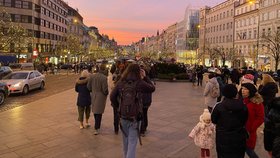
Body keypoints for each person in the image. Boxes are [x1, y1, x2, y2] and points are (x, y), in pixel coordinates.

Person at [110, 64, 155, 158]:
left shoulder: (121, 82)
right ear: (138, 72)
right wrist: (145, 77)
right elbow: (152, 88)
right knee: (132, 142)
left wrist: (118, 106)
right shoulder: (139, 82)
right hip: (135, 117)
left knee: (125, 141)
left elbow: (112, 96)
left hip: (123, 116)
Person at [211, 84, 248, 158]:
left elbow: (214, 120)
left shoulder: (219, 106)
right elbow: (244, 120)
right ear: (235, 93)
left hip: (223, 137)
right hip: (239, 136)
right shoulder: (243, 106)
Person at [241, 83, 265, 158]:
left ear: (250, 91)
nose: (243, 91)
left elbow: (260, 117)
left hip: (249, 131)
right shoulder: (243, 100)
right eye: (242, 88)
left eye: (245, 89)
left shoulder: (257, 102)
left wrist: (251, 128)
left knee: (249, 150)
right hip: (240, 130)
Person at [258, 74, 278, 157]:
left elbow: (260, 92)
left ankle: (266, 127)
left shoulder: (266, 86)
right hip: (271, 101)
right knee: (270, 116)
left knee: (266, 116)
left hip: (265, 102)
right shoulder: (274, 85)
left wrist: (260, 86)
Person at [87, 64, 109, 135]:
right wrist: (106, 93)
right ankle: (97, 127)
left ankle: (97, 126)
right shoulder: (104, 78)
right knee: (99, 112)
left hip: (93, 95)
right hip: (101, 96)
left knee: (95, 111)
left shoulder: (92, 76)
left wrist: (92, 90)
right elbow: (105, 89)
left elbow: (88, 87)